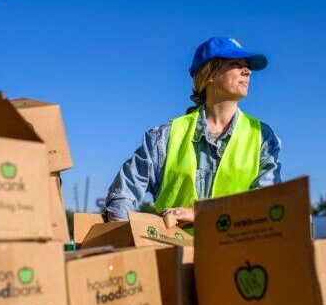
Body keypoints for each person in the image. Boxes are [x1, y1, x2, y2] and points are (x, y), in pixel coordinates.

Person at [105, 36, 282, 233]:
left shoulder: (262, 137)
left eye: (247, 66)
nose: (247, 71)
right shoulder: (164, 138)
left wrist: (202, 214)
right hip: (174, 259)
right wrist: (133, 242)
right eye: (236, 64)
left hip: (238, 260)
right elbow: (121, 197)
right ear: (210, 74)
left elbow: (267, 207)